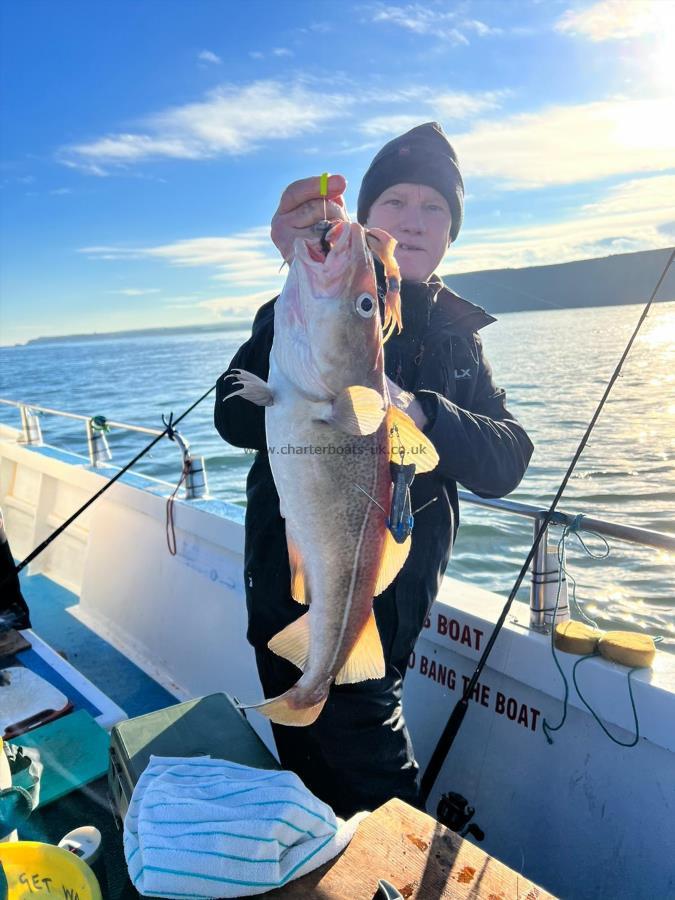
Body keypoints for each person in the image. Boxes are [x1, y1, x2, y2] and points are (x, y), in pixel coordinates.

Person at [215, 122, 533, 818]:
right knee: (305, 787)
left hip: (377, 614)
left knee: (378, 799)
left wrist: (422, 412)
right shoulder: (298, 313)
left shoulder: (456, 345)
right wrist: (299, 280)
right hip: (279, 595)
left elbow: (508, 459)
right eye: (394, 201)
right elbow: (234, 419)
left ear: (452, 231)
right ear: (364, 214)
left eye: (434, 209)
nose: (414, 221)